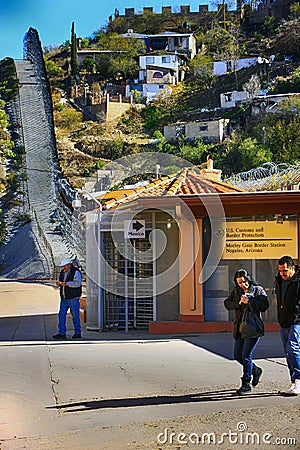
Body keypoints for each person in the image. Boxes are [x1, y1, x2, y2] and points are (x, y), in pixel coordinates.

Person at [224, 269, 269, 395]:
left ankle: (246, 383)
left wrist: (250, 301)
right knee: (238, 356)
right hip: (240, 328)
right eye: (239, 283)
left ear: (248, 279)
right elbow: (227, 304)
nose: (243, 284)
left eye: (244, 281)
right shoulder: (236, 291)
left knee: (246, 355)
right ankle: (255, 370)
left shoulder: (257, 290)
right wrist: (239, 303)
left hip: (253, 328)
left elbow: (265, 305)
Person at [275, 255, 300, 395]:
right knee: (287, 352)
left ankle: (299, 379)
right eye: (280, 271)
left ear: (293, 268)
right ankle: (293, 381)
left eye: (285, 271)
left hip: (297, 321)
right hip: (283, 321)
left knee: (293, 347)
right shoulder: (279, 280)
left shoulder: (298, 281)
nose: (282, 274)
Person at [53, 257, 82, 340]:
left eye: (64, 266)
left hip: (73, 298)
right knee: (61, 315)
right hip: (64, 297)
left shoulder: (76, 272)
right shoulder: (62, 272)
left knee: (75, 316)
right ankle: (62, 333)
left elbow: (77, 283)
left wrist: (67, 284)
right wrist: (59, 284)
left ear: (69, 265)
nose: (63, 268)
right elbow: (61, 281)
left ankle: (77, 332)